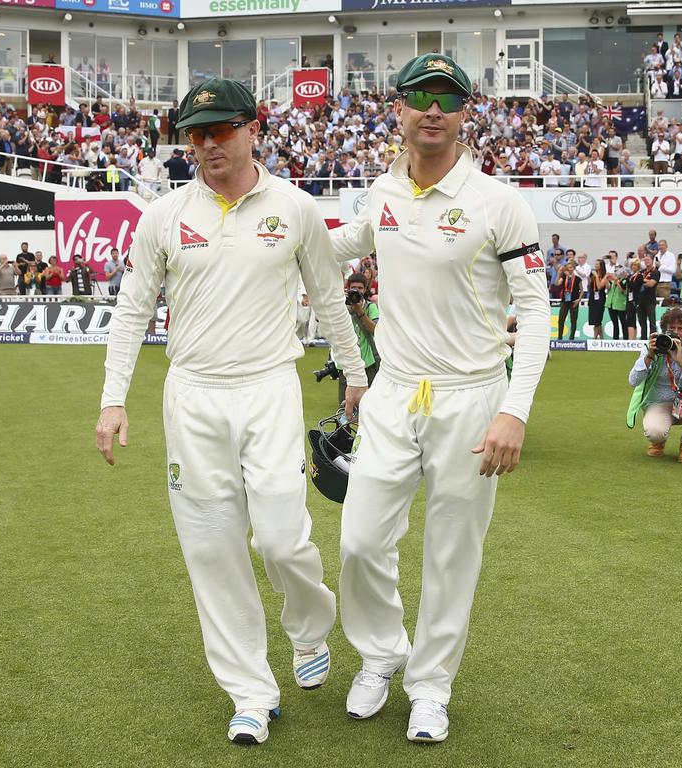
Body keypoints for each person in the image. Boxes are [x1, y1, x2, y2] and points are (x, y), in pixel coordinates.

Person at [96, 78, 367, 746]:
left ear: (253, 128)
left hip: (269, 385)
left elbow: (328, 296)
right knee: (212, 548)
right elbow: (134, 307)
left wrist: (354, 374)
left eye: (220, 131)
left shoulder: (295, 208)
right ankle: (250, 691)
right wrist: (112, 397)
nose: (208, 145)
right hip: (192, 394)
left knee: (281, 536)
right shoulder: (164, 215)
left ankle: (309, 626)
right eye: (195, 135)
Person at [329, 53, 550, 744]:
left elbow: (537, 311)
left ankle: (431, 687)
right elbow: (341, 244)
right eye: (420, 96)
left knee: (452, 554)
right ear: (398, 109)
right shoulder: (384, 190)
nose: (433, 108)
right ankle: (381, 653)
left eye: (447, 98)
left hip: (471, 400)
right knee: (361, 541)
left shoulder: (497, 202)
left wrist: (515, 409)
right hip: (394, 395)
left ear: (463, 113)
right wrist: (265, 240)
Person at [626, 305, 682, 464]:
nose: (676, 333)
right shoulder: (653, 345)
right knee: (654, 432)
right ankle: (658, 441)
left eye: (681, 328)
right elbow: (633, 381)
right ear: (664, 329)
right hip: (658, 402)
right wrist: (649, 356)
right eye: (672, 328)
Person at [337, 272, 380, 404]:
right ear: (347, 289)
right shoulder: (340, 307)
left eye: (360, 288)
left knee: (370, 404)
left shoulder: (370, 307)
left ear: (365, 289)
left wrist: (359, 310)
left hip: (368, 361)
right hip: (346, 362)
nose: (356, 291)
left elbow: (375, 330)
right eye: (353, 288)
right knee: (345, 406)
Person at [555, 261, 581, 340]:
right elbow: (557, 284)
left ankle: (572, 338)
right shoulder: (563, 276)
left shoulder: (577, 278)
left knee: (573, 320)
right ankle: (559, 338)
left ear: (574, 268)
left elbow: (582, 290)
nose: (569, 269)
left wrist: (579, 300)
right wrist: (559, 274)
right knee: (561, 320)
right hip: (564, 301)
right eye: (568, 267)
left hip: (573, 301)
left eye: (571, 267)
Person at [636, 253, 659, 340]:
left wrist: (642, 280)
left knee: (652, 322)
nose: (646, 262)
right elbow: (636, 284)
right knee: (642, 322)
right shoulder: (642, 272)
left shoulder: (655, 272)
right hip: (640, 299)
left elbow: (651, 284)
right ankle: (643, 340)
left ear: (652, 260)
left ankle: (653, 340)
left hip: (650, 299)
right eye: (645, 260)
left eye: (648, 260)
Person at [588, 258, 609, 339]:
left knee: (598, 319)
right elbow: (590, 284)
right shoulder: (592, 274)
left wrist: (596, 276)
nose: (595, 265)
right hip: (593, 297)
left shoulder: (604, 275)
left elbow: (600, 286)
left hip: (600, 298)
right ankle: (601, 336)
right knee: (594, 320)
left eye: (597, 264)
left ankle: (595, 337)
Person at [606, 265, 628, 339]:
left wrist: (617, 281)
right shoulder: (612, 281)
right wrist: (606, 279)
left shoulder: (624, 280)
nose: (615, 272)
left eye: (616, 270)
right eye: (614, 270)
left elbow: (623, 291)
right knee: (615, 323)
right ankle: (615, 339)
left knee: (623, 323)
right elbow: (608, 288)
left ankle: (626, 339)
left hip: (620, 305)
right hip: (611, 304)